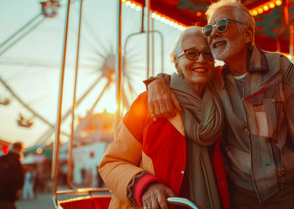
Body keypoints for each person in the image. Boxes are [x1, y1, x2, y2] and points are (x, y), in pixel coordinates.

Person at [146, 0, 294, 208]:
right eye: (209, 29)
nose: (213, 34)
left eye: (222, 26)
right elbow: (183, 76)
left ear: (247, 34)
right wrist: (156, 83)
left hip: (285, 192)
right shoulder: (214, 79)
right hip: (239, 195)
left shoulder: (280, 68)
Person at [99, 27, 230, 209]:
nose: (201, 59)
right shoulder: (147, 104)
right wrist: (145, 186)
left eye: (207, 54)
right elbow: (111, 163)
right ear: (176, 64)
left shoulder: (221, 103)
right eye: (191, 53)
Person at [0, 142, 24, 209]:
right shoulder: (15, 161)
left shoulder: (2, 159)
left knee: (3, 206)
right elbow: (18, 177)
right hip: (9, 192)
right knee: (8, 206)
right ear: (20, 149)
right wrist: (19, 187)